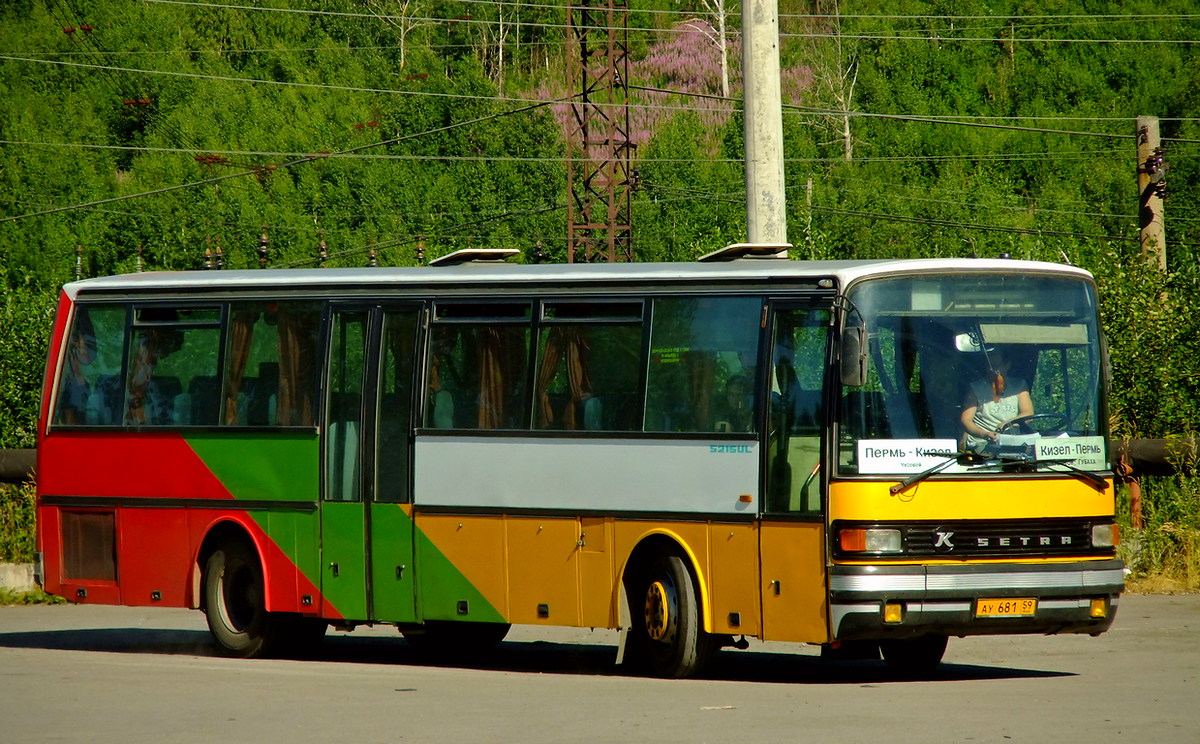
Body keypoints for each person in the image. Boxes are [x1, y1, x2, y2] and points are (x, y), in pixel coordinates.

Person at [960, 346, 1033, 450]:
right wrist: (985, 434)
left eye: (995, 366)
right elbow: (966, 420)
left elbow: (1028, 414)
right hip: (983, 444)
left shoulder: (1020, 385)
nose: (992, 370)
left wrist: (1007, 425)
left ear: (1007, 365)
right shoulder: (975, 388)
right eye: (989, 366)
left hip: (1014, 442)